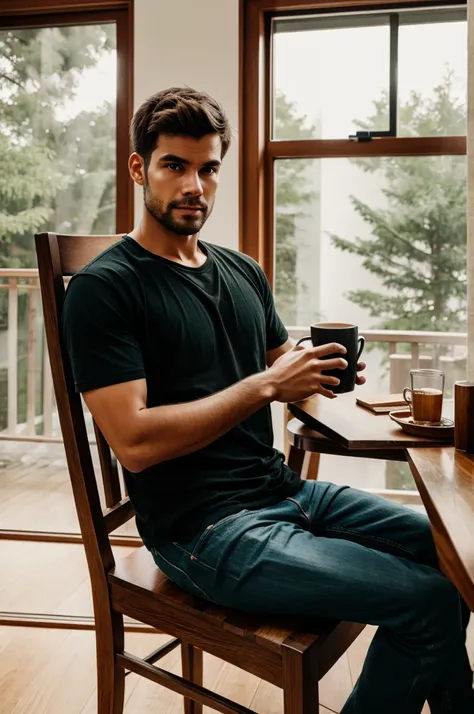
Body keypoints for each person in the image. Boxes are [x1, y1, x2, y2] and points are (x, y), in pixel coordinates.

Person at [62, 86, 473, 714]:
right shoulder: (106, 289)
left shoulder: (242, 271)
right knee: (428, 602)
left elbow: (284, 373)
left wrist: (319, 376)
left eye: (209, 168)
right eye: (175, 165)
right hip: (199, 530)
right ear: (140, 168)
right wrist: (266, 386)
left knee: (456, 558)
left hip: (284, 492)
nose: (194, 184)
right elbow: (136, 444)